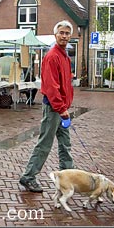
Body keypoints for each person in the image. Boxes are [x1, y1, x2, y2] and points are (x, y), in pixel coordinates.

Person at [19, 20, 75, 193]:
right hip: (54, 108)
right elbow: (51, 87)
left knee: (65, 144)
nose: (64, 36)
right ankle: (28, 177)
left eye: (67, 33)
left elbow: (65, 84)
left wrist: (65, 107)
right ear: (55, 35)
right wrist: (61, 107)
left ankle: (68, 177)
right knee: (45, 144)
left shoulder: (65, 56)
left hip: (61, 109)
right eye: (61, 33)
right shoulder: (52, 56)